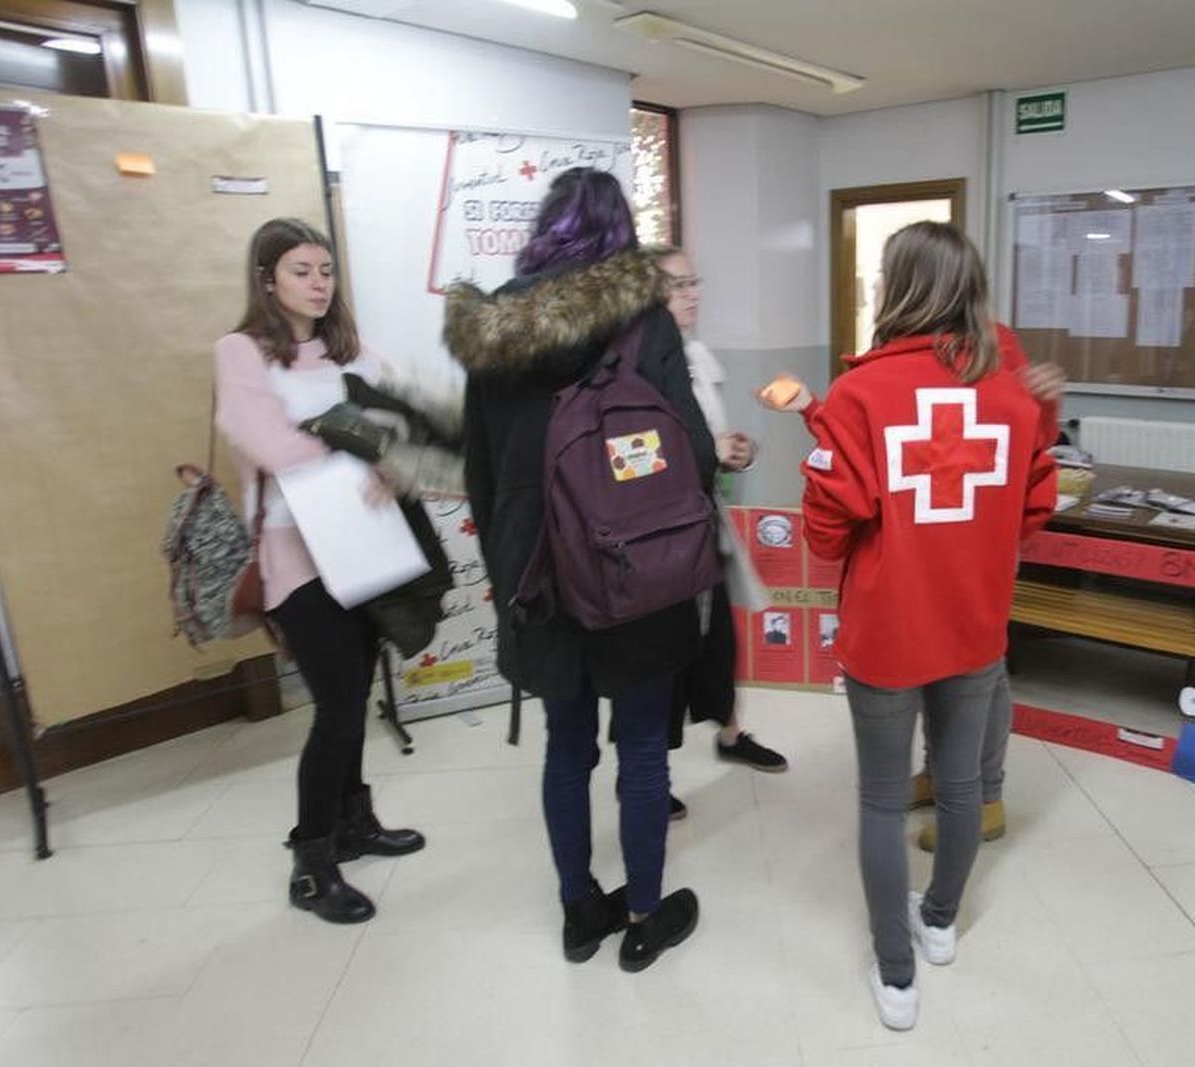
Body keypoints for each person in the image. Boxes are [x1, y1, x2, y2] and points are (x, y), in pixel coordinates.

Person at [445, 168, 711, 972]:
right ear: (620, 232)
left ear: (544, 228)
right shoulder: (644, 322)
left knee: (566, 746)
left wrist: (513, 566)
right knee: (641, 748)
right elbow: (693, 450)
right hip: (639, 571)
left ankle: (576, 910)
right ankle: (642, 913)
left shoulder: (493, 329)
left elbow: (480, 473)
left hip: (539, 575)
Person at [798, 221, 1056, 1029]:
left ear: (895, 288)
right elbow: (1034, 509)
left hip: (886, 631)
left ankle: (897, 973)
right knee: (961, 786)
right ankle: (940, 922)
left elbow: (827, 527)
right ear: (972, 292)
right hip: (974, 624)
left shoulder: (858, 396)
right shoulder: (1012, 397)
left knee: (880, 799)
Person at [762, 293, 1063, 858]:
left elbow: (1030, 446)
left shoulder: (995, 344)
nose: (878, 296)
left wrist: (1047, 406)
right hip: (917, 544)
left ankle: (985, 798)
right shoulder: (891, 356)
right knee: (931, 661)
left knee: (978, 669)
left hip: (973, 547)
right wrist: (810, 407)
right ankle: (941, 776)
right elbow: (874, 445)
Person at [214, 218, 427, 926]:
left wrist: (391, 462)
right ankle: (311, 862)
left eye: (326, 270)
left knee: (356, 690)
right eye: (301, 269)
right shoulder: (241, 352)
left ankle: (354, 822)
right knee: (337, 703)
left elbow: (406, 418)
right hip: (295, 550)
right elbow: (269, 443)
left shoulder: (348, 349)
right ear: (267, 278)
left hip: (361, 541)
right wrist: (362, 446)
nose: (317, 282)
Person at [644, 246, 789, 812]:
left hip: (705, 526)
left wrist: (739, 453)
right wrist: (710, 456)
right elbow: (649, 461)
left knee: (719, 642)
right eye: (679, 285)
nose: (693, 293)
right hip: (660, 540)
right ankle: (649, 773)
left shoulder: (698, 358)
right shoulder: (636, 369)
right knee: (664, 655)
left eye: (694, 282)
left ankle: (731, 735)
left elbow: (712, 443)